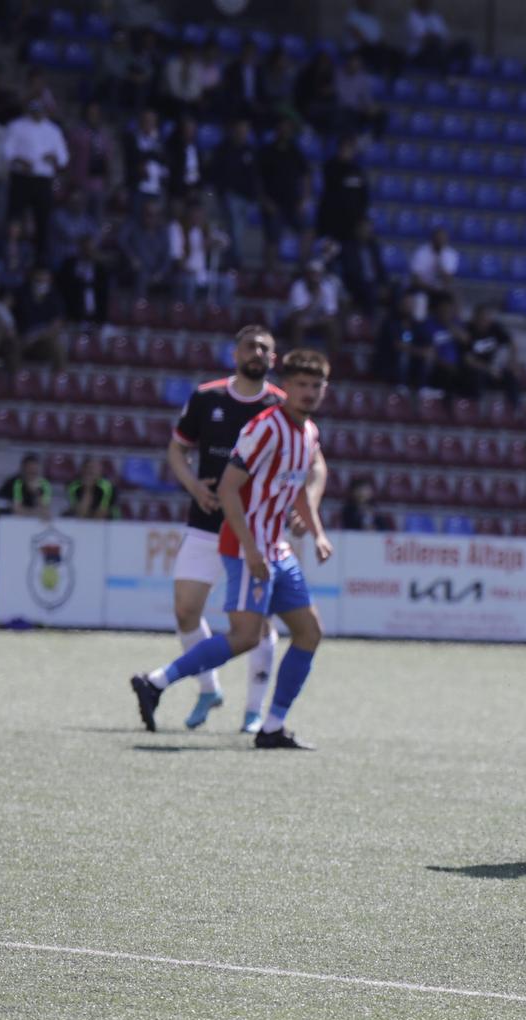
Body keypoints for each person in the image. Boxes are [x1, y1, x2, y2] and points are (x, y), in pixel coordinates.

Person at [133, 347, 334, 750]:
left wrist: (317, 532)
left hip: (276, 548)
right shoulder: (266, 427)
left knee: (309, 632)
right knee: (244, 636)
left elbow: (295, 490)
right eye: (300, 385)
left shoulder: (307, 432)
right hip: (248, 547)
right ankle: (156, 682)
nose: (308, 393)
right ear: (285, 387)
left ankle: (272, 726)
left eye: (316, 385)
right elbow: (228, 489)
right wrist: (250, 550)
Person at [159, 326, 285, 732]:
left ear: (274, 358)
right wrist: (194, 486)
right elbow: (177, 448)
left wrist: (302, 507)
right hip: (207, 522)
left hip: (258, 533)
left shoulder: (281, 405)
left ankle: (253, 711)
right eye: (250, 346)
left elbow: (306, 461)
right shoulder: (207, 396)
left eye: (265, 348)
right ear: (235, 354)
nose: (257, 352)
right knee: (185, 611)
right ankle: (209, 689)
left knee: (257, 624)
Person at [2, 97, 66, 260]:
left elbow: (64, 156)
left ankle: (40, 257)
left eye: (41, 109)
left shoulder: (53, 130)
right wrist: (18, 159)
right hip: (21, 177)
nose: (38, 113)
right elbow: (6, 150)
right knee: (15, 217)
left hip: (43, 180)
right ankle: (11, 251)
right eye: (35, 109)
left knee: (43, 220)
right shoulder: (16, 126)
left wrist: (54, 157)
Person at [256, 117, 310, 257]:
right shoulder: (266, 152)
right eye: (282, 128)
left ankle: (304, 268)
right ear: (276, 131)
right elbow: (258, 180)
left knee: (307, 231)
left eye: (287, 129)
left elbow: (305, 176)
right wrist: (265, 201)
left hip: (293, 203)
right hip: (273, 204)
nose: (284, 132)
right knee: (272, 239)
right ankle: (270, 275)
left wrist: (303, 200)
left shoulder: (295, 152)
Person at [210, 118, 261, 264]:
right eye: (239, 130)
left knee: (239, 229)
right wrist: (221, 191)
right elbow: (217, 172)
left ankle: (232, 257)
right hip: (230, 195)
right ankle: (234, 259)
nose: (242, 133)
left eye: (245, 130)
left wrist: (254, 195)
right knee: (235, 227)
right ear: (234, 131)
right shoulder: (224, 149)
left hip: (246, 197)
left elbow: (254, 175)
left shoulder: (249, 150)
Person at [168, 199, 234, 308]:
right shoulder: (177, 227)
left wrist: (213, 241)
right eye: (196, 213)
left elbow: (225, 241)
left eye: (201, 213)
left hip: (202, 275)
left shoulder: (205, 228)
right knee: (189, 282)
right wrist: (188, 270)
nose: (199, 216)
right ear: (189, 213)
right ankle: (189, 314)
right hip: (183, 274)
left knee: (227, 282)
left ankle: (217, 314)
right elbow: (177, 259)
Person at [65, 101, 123, 223]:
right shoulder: (76, 133)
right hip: (81, 184)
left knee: (97, 220)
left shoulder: (104, 135)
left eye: (96, 113)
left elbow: (108, 159)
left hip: (99, 185)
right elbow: (69, 157)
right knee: (79, 219)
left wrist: (109, 179)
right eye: (91, 113)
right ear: (85, 114)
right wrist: (71, 180)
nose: (93, 116)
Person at [463, 302, 522, 406]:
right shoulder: (467, 330)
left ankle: (514, 410)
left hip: (492, 370)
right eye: (481, 318)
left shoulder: (495, 328)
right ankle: (474, 409)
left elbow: (512, 344)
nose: (484, 322)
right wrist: (488, 368)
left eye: (487, 319)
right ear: (475, 318)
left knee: (512, 375)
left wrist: (513, 362)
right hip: (474, 371)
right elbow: (468, 360)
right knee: (476, 375)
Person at [315, 135, 370, 247]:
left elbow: (363, 196)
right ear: (339, 148)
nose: (348, 151)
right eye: (345, 147)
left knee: (351, 260)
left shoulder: (357, 171)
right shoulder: (330, 167)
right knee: (326, 260)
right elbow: (333, 192)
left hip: (352, 227)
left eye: (351, 148)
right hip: (331, 224)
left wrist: (362, 219)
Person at [13, 265, 67, 372]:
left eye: (44, 281)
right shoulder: (22, 293)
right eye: (38, 280)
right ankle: (16, 383)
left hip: (40, 341)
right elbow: (7, 311)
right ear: (32, 278)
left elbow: (57, 324)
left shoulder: (54, 297)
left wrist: (36, 337)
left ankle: (59, 382)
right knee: (12, 346)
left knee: (58, 347)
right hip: (21, 339)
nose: (41, 283)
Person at [119, 197, 175, 295]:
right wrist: (131, 257)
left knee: (179, 280)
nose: (152, 218)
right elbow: (121, 241)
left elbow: (167, 256)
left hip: (156, 271)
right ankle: (139, 308)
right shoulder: (133, 226)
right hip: (136, 269)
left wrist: (160, 273)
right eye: (148, 214)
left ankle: (179, 310)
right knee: (142, 276)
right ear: (142, 213)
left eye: (155, 215)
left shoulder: (163, 231)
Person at [338, 215, 392, 317]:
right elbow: (351, 272)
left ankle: (391, 328)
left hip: (374, 283)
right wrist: (374, 286)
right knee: (370, 291)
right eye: (365, 228)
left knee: (397, 290)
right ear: (357, 230)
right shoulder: (349, 247)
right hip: (357, 284)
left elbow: (380, 269)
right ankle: (370, 326)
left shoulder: (373, 247)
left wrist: (385, 285)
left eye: (369, 229)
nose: (368, 232)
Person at [57, 232, 113, 325]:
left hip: (95, 315)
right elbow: (63, 288)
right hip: (72, 315)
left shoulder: (99, 268)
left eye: (90, 248)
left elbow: (104, 293)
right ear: (79, 248)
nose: (88, 251)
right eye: (85, 248)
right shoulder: (69, 264)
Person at [285, 260, 342, 348]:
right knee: (298, 324)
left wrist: (316, 321)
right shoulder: (298, 286)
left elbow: (331, 313)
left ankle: (334, 358)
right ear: (307, 274)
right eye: (313, 273)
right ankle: (297, 356)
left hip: (318, 321)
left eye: (318, 274)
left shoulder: (328, 287)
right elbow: (298, 314)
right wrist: (315, 299)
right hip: (298, 320)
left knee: (333, 325)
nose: (315, 277)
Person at [407, 0, 472, 73]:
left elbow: (445, 36)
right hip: (419, 54)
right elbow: (425, 38)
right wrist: (438, 39)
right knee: (435, 46)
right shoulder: (413, 17)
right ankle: (444, 77)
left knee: (464, 45)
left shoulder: (435, 17)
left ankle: (462, 75)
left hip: (440, 49)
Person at [408, 226, 457, 318]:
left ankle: (451, 325)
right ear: (432, 238)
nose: (440, 241)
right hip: (422, 287)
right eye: (438, 238)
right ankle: (418, 323)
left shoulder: (450, 254)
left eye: (442, 238)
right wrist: (431, 288)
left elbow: (448, 280)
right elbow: (415, 279)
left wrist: (440, 259)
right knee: (420, 299)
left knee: (453, 297)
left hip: (441, 290)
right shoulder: (421, 252)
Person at [0, 452, 53, 517]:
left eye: (35, 470)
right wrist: (37, 513)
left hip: (28, 522)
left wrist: (36, 492)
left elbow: (45, 510)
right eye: (30, 469)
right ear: (23, 469)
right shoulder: (15, 483)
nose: (33, 472)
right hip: (7, 519)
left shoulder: (43, 485)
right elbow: (17, 510)